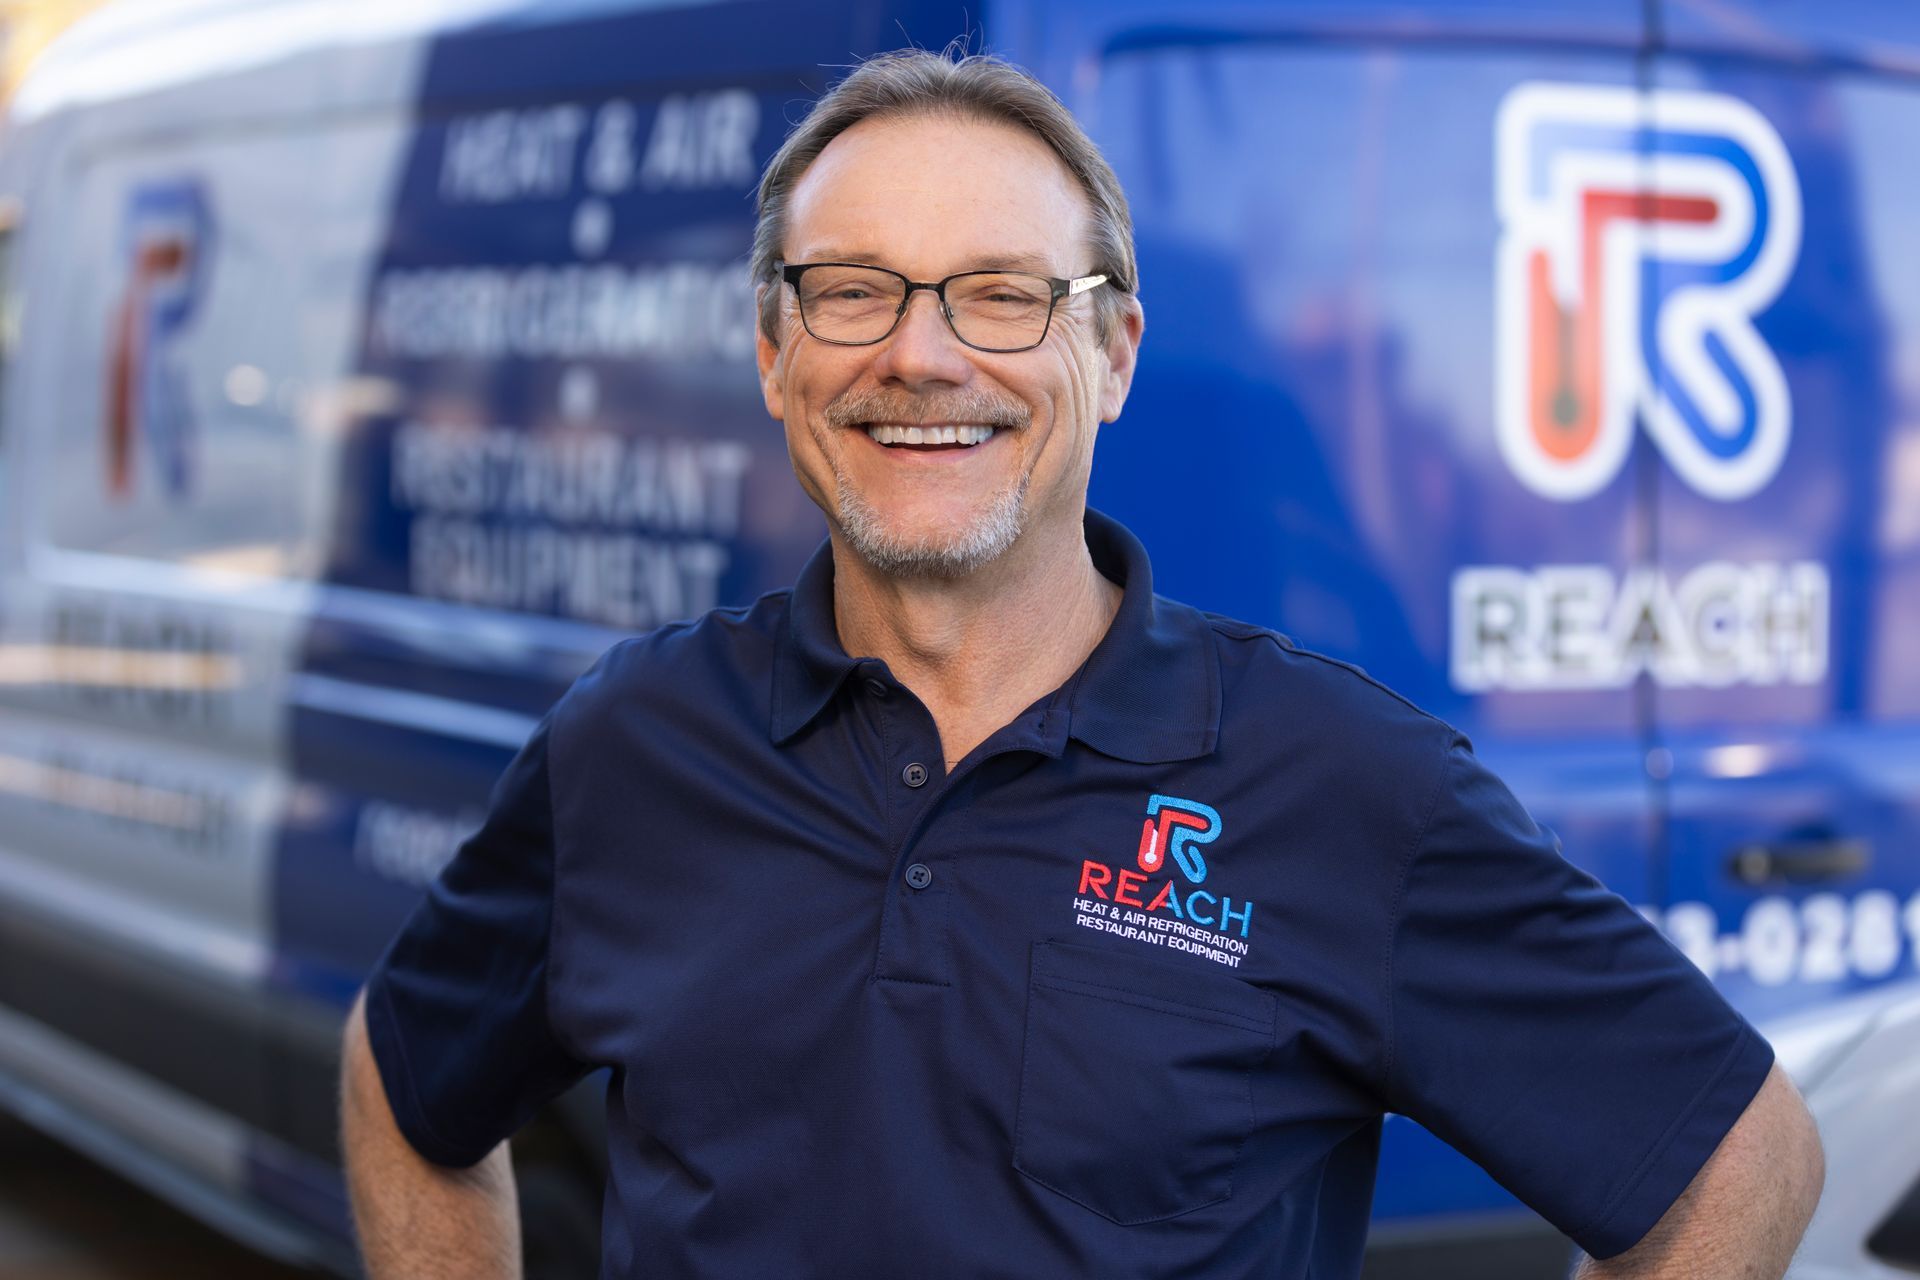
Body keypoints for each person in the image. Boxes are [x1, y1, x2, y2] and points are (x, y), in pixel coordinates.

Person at [339, 47, 1824, 1280]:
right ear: (774, 351)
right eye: (852, 289)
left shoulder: (1344, 788)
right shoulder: (635, 745)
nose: (920, 356)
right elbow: (407, 1080)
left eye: (1001, 295)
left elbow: (1738, 1159)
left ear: (1112, 354)